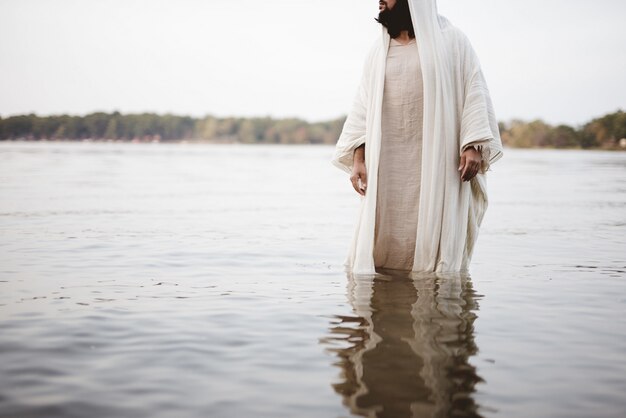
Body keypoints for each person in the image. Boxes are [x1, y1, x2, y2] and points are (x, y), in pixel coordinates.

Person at [331, 0, 503, 274]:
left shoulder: (452, 41)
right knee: (381, 255)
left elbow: (474, 89)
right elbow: (362, 109)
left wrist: (472, 144)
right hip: (387, 169)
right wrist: (358, 158)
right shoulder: (378, 51)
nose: (380, 0)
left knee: (433, 263)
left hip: (440, 165)